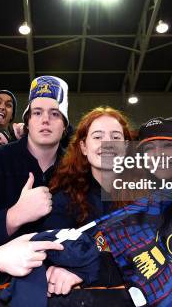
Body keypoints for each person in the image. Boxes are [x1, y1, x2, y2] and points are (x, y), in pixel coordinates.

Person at [0, 75, 69, 275]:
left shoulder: (76, 170)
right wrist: (13, 217)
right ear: (27, 122)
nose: (45, 120)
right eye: (37, 112)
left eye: (55, 114)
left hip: (61, 291)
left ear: (65, 125)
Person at [42, 107, 132, 295]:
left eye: (116, 138)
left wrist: (85, 268)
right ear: (83, 147)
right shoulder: (64, 196)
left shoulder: (146, 197)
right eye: (98, 136)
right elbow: (53, 251)